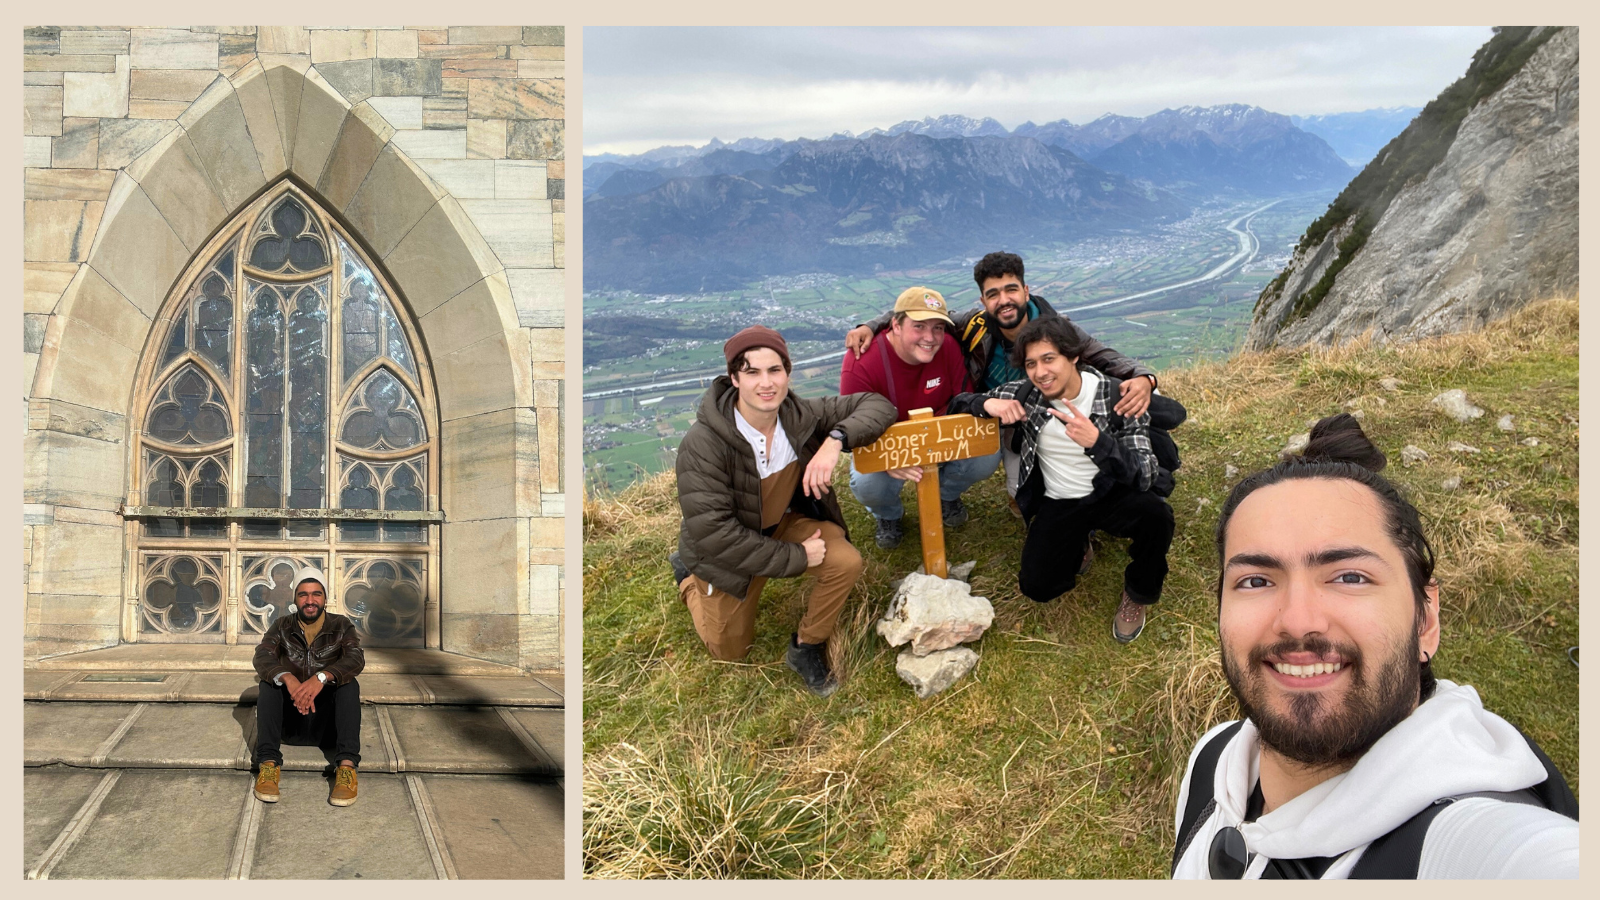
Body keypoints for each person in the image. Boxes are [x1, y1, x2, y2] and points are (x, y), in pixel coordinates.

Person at [1171, 415, 1578, 879]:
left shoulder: (1474, 847)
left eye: (1350, 576)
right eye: (1256, 580)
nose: (1299, 621)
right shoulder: (1214, 757)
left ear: (1425, 619)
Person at [846, 251, 1175, 514]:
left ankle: (1136, 486)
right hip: (1001, 415)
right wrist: (870, 325)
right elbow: (916, 315)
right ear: (983, 301)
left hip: (1054, 414)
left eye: (1011, 289)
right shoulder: (972, 325)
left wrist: (1144, 377)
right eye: (993, 294)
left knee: (1127, 431)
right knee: (1023, 497)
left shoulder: (1058, 330)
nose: (1003, 300)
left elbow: (1104, 355)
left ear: (1026, 290)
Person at [673, 325, 896, 695]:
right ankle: (687, 580)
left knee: (846, 561)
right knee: (729, 651)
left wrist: (834, 442)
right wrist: (795, 556)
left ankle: (807, 646)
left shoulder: (799, 416)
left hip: (781, 525)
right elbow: (714, 534)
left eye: (775, 370)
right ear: (733, 378)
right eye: (752, 372)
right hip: (726, 555)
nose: (767, 383)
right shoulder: (704, 444)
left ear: (787, 373)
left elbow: (878, 405)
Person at [948, 315, 1172, 642]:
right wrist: (987, 402)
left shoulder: (1117, 398)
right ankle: (1081, 542)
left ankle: (1138, 593)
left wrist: (1099, 442)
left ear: (1074, 356)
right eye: (1031, 363)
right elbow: (958, 403)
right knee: (1037, 587)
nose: (1040, 372)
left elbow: (1145, 473)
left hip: (1112, 492)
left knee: (1158, 517)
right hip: (1060, 500)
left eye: (1049, 359)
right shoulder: (1027, 393)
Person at [839, 286, 1001, 548]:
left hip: (938, 433)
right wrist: (889, 457)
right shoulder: (862, 361)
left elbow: (963, 399)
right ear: (896, 325)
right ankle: (888, 515)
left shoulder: (948, 347)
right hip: (884, 440)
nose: (930, 337)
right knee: (868, 481)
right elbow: (852, 427)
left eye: (938, 327)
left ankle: (945, 495)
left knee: (986, 454)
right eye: (919, 326)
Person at [251, 567, 365, 806]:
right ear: (295, 599)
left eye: (316, 594)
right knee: (269, 684)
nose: (310, 601)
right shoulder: (282, 626)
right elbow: (263, 655)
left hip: (327, 726)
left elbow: (355, 658)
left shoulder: (341, 625)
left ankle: (346, 769)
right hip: (290, 722)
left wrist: (322, 677)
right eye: (303, 594)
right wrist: (289, 679)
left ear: (325, 598)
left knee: (349, 684)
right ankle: (269, 766)